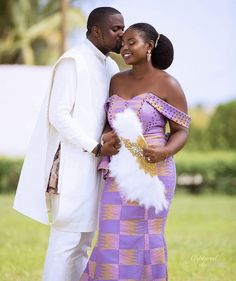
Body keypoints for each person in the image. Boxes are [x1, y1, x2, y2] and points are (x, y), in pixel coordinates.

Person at [13, 7, 124, 281]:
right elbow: (58, 114)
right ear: (95, 31)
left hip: (96, 166)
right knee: (66, 240)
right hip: (72, 165)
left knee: (85, 240)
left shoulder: (110, 66)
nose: (122, 34)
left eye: (123, 28)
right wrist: (95, 146)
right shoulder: (73, 60)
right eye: (115, 29)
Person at [80, 23, 191, 281]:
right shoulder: (116, 80)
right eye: (123, 43)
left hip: (154, 172)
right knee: (109, 236)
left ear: (149, 46)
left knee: (146, 238)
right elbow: (110, 121)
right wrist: (106, 136)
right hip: (117, 171)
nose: (125, 47)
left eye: (132, 42)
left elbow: (181, 130)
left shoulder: (168, 84)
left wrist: (164, 152)